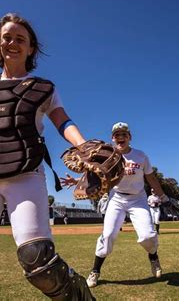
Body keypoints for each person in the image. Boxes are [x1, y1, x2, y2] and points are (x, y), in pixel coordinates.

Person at [0, 13, 94, 300]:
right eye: (7, 37)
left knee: (38, 261)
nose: (13, 42)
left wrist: (84, 148)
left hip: (25, 175)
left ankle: (81, 295)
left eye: (20, 39)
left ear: (31, 48)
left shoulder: (43, 87)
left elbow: (63, 121)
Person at [61, 122, 168, 288]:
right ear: (112, 138)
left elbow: (151, 178)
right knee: (108, 234)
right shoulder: (106, 154)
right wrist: (75, 180)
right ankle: (95, 271)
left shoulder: (141, 156)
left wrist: (161, 195)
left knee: (148, 236)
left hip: (138, 199)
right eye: (117, 135)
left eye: (124, 134)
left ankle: (153, 256)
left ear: (129, 137)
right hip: (116, 198)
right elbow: (95, 176)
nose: (120, 137)